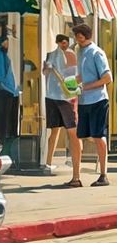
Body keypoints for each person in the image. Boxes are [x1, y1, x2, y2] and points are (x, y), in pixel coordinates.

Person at [67, 22, 111, 189]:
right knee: (79, 136)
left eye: (77, 36)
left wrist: (86, 86)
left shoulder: (96, 52)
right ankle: (76, 178)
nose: (75, 39)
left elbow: (107, 78)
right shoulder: (81, 52)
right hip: (84, 101)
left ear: (83, 36)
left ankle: (103, 175)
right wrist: (71, 84)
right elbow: (83, 76)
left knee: (98, 136)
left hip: (98, 100)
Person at [42, 32, 80, 167]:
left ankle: (73, 159)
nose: (65, 45)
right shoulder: (51, 55)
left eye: (66, 42)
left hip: (64, 96)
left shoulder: (71, 54)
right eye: (63, 43)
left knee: (71, 129)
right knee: (56, 129)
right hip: (54, 95)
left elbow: (74, 75)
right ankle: (49, 161)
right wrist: (47, 68)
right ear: (58, 42)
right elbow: (45, 73)